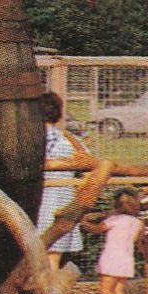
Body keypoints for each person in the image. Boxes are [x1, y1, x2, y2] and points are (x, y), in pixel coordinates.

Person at [35, 91, 97, 276]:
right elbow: (89, 162)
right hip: (63, 200)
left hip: (40, 200)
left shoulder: (33, 139)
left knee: (39, 254)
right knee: (53, 256)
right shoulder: (68, 139)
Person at [83, 192, 144, 294]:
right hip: (127, 259)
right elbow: (138, 241)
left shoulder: (114, 220)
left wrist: (84, 223)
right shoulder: (138, 223)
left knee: (105, 290)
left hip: (111, 257)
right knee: (118, 289)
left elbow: (97, 229)